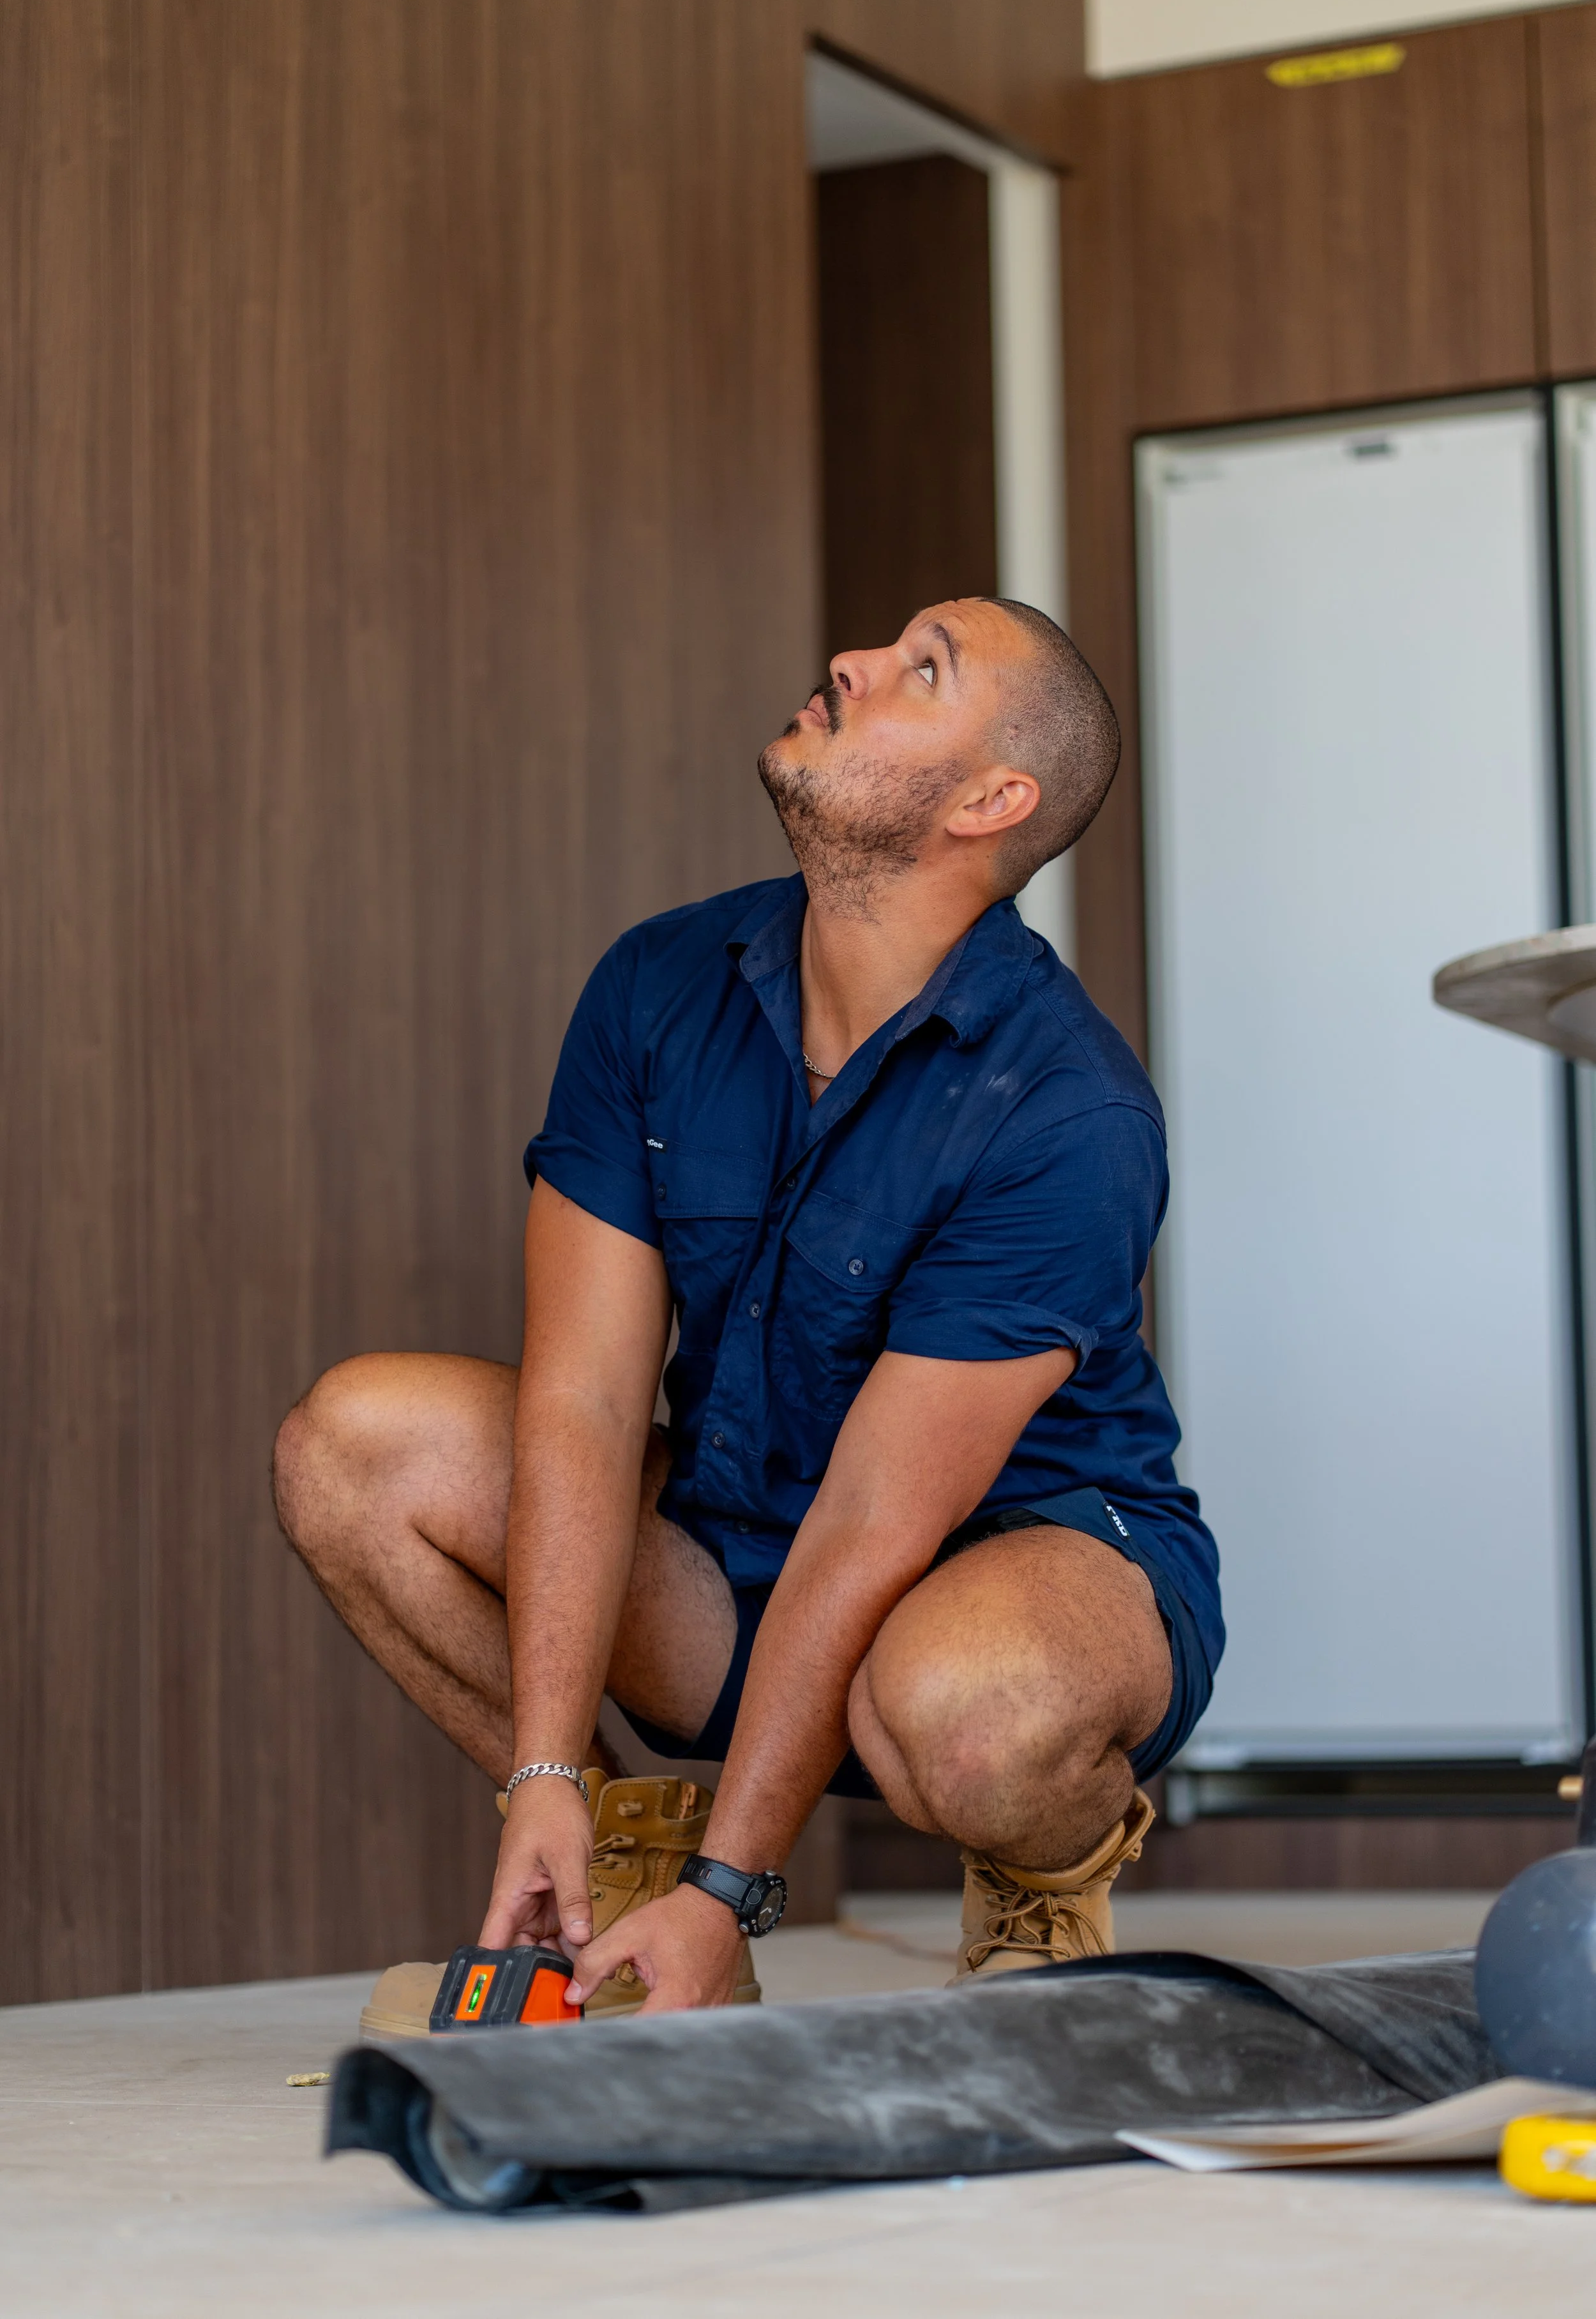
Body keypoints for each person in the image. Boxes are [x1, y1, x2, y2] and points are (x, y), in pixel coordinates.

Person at [273, 596, 1222, 2020]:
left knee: (971, 1720)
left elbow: (873, 1525)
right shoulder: (658, 986)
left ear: (992, 801)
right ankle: (621, 1886)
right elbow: (583, 1403)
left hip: (1024, 1568)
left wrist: (743, 1888)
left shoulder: (1066, 1112)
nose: (849, 661)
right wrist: (544, 1775)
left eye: (920, 671)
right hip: (738, 1547)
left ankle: (1036, 1870)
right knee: (354, 1444)